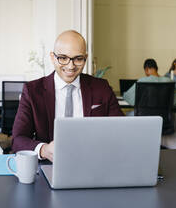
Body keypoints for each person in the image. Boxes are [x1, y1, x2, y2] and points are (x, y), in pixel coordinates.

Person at [12, 30, 123, 162]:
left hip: (94, 163)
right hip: (50, 166)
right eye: (63, 58)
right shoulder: (32, 91)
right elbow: (17, 140)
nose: (70, 66)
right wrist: (44, 150)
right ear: (53, 58)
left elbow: (121, 131)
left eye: (78, 59)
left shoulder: (102, 88)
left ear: (85, 58)